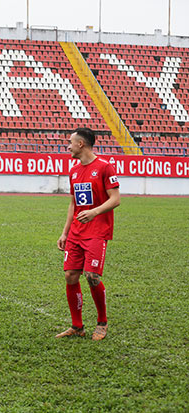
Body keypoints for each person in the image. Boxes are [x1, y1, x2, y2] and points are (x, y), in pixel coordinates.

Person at [56, 127, 120, 340]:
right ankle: (77, 326)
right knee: (70, 275)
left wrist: (94, 212)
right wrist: (65, 233)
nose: (68, 146)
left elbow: (115, 199)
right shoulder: (73, 171)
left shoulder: (104, 167)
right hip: (76, 232)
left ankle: (102, 322)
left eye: (70, 142)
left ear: (81, 144)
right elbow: (73, 204)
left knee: (92, 276)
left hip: (97, 231)